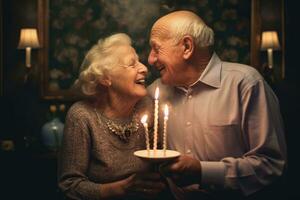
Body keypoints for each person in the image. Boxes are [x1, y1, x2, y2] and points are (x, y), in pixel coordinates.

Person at [147, 10, 287, 199]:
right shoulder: (156, 93)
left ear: (187, 47)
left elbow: (271, 165)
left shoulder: (245, 84)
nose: (150, 59)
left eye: (156, 49)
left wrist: (203, 171)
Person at [58, 33, 166, 200]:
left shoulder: (149, 106)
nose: (144, 67)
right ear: (105, 78)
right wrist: (121, 189)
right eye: (132, 64)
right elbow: (69, 185)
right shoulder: (82, 115)